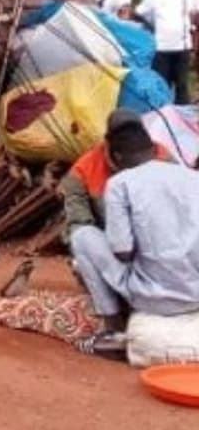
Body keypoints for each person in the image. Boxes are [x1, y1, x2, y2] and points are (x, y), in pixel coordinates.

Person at [68, 115, 199, 351]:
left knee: (83, 237)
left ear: (116, 156)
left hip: (153, 298)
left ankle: (114, 331)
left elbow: (122, 252)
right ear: (152, 148)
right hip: (196, 292)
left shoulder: (120, 184)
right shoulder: (192, 178)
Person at [59, 109, 172, 240]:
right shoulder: (82, 171)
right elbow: (79, 225)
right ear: (114, 151)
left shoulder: (163, 156)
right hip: (110, 242)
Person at [135, 0, 199, 103]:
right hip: (162, 48)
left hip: (182, 48)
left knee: (182, 85)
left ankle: (182, 115)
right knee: (163, 84)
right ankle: (164, 113)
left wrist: (192, 28)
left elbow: (196, 12)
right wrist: (152, 25)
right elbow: (138, 12)